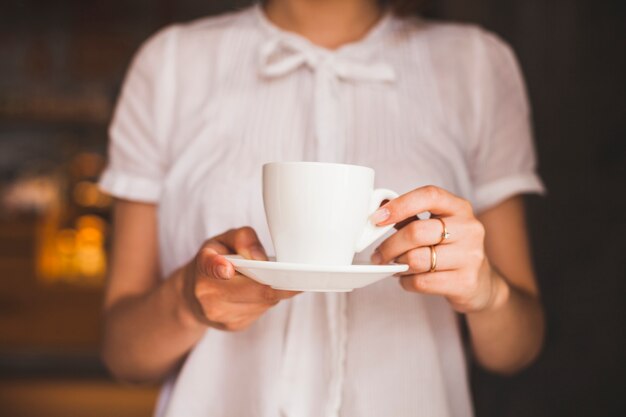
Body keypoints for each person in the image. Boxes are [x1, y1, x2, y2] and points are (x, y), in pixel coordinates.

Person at [98, 0, 546, 416]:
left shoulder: (477, 64)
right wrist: (186, 301)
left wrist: (488, 293)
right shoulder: (171, 64)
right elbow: (123, 355)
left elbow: (518, 349)